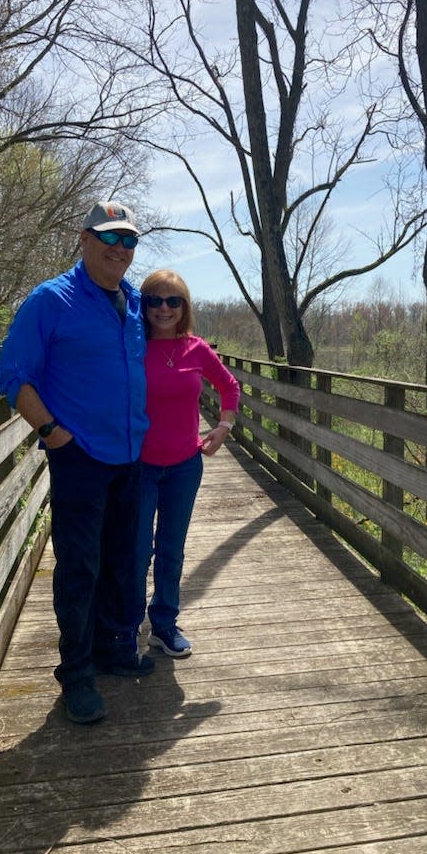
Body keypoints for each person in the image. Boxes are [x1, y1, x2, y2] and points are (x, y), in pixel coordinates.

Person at [0, 200, 154, 725]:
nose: (120, 249)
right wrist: (52, 432)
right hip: (81, 457)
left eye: (129, 240)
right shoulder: (51, 300)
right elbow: (14, 374)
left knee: (121, 559)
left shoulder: (133, 303)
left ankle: (112, 649)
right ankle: (77, 673)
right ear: (83, 239)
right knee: (80, 567)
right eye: (109, 238)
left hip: (130, 456)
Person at [133, 269, 240, 657]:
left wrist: (224, 426)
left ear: (184, 307)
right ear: (142, 306)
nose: (164, 308)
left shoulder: (196, 349)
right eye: (154, 300)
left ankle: (163, 624)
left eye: (173, 301)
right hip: (138, 465)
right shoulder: (132, 345)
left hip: (183, 465)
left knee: (171, 548)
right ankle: (129, 626)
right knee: (137, 549)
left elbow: (229, 385)